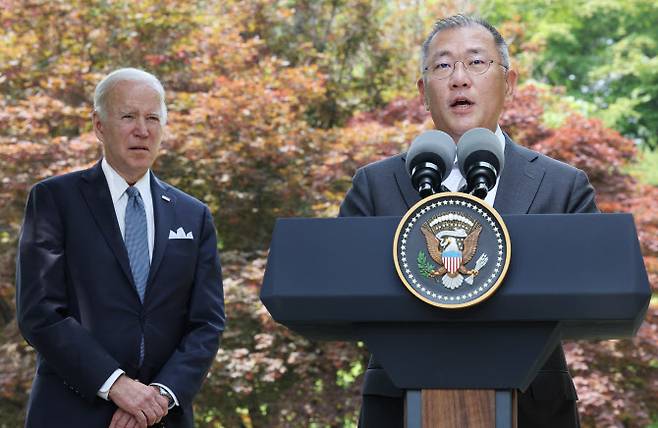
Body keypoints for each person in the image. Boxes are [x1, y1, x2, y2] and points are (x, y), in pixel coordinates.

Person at [339, 15, 597, 428]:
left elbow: (595, 286)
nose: (459, 78)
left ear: (509, 83)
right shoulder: (375, 185)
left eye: (476, 62)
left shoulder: (561, 186)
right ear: (424, 92)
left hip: (534, 407)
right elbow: (340, 288)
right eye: (443, 66)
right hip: (399, 406)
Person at [16, 68, 225, 428]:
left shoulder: (194, 215)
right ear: (99, 125)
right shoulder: (54, 200)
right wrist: (116, 385)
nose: (142, 130)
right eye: (128, 116)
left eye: (152, 118)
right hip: (70, 412)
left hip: (163, 416)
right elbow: (40, 311)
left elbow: (207, 322)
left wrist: (159, 395)